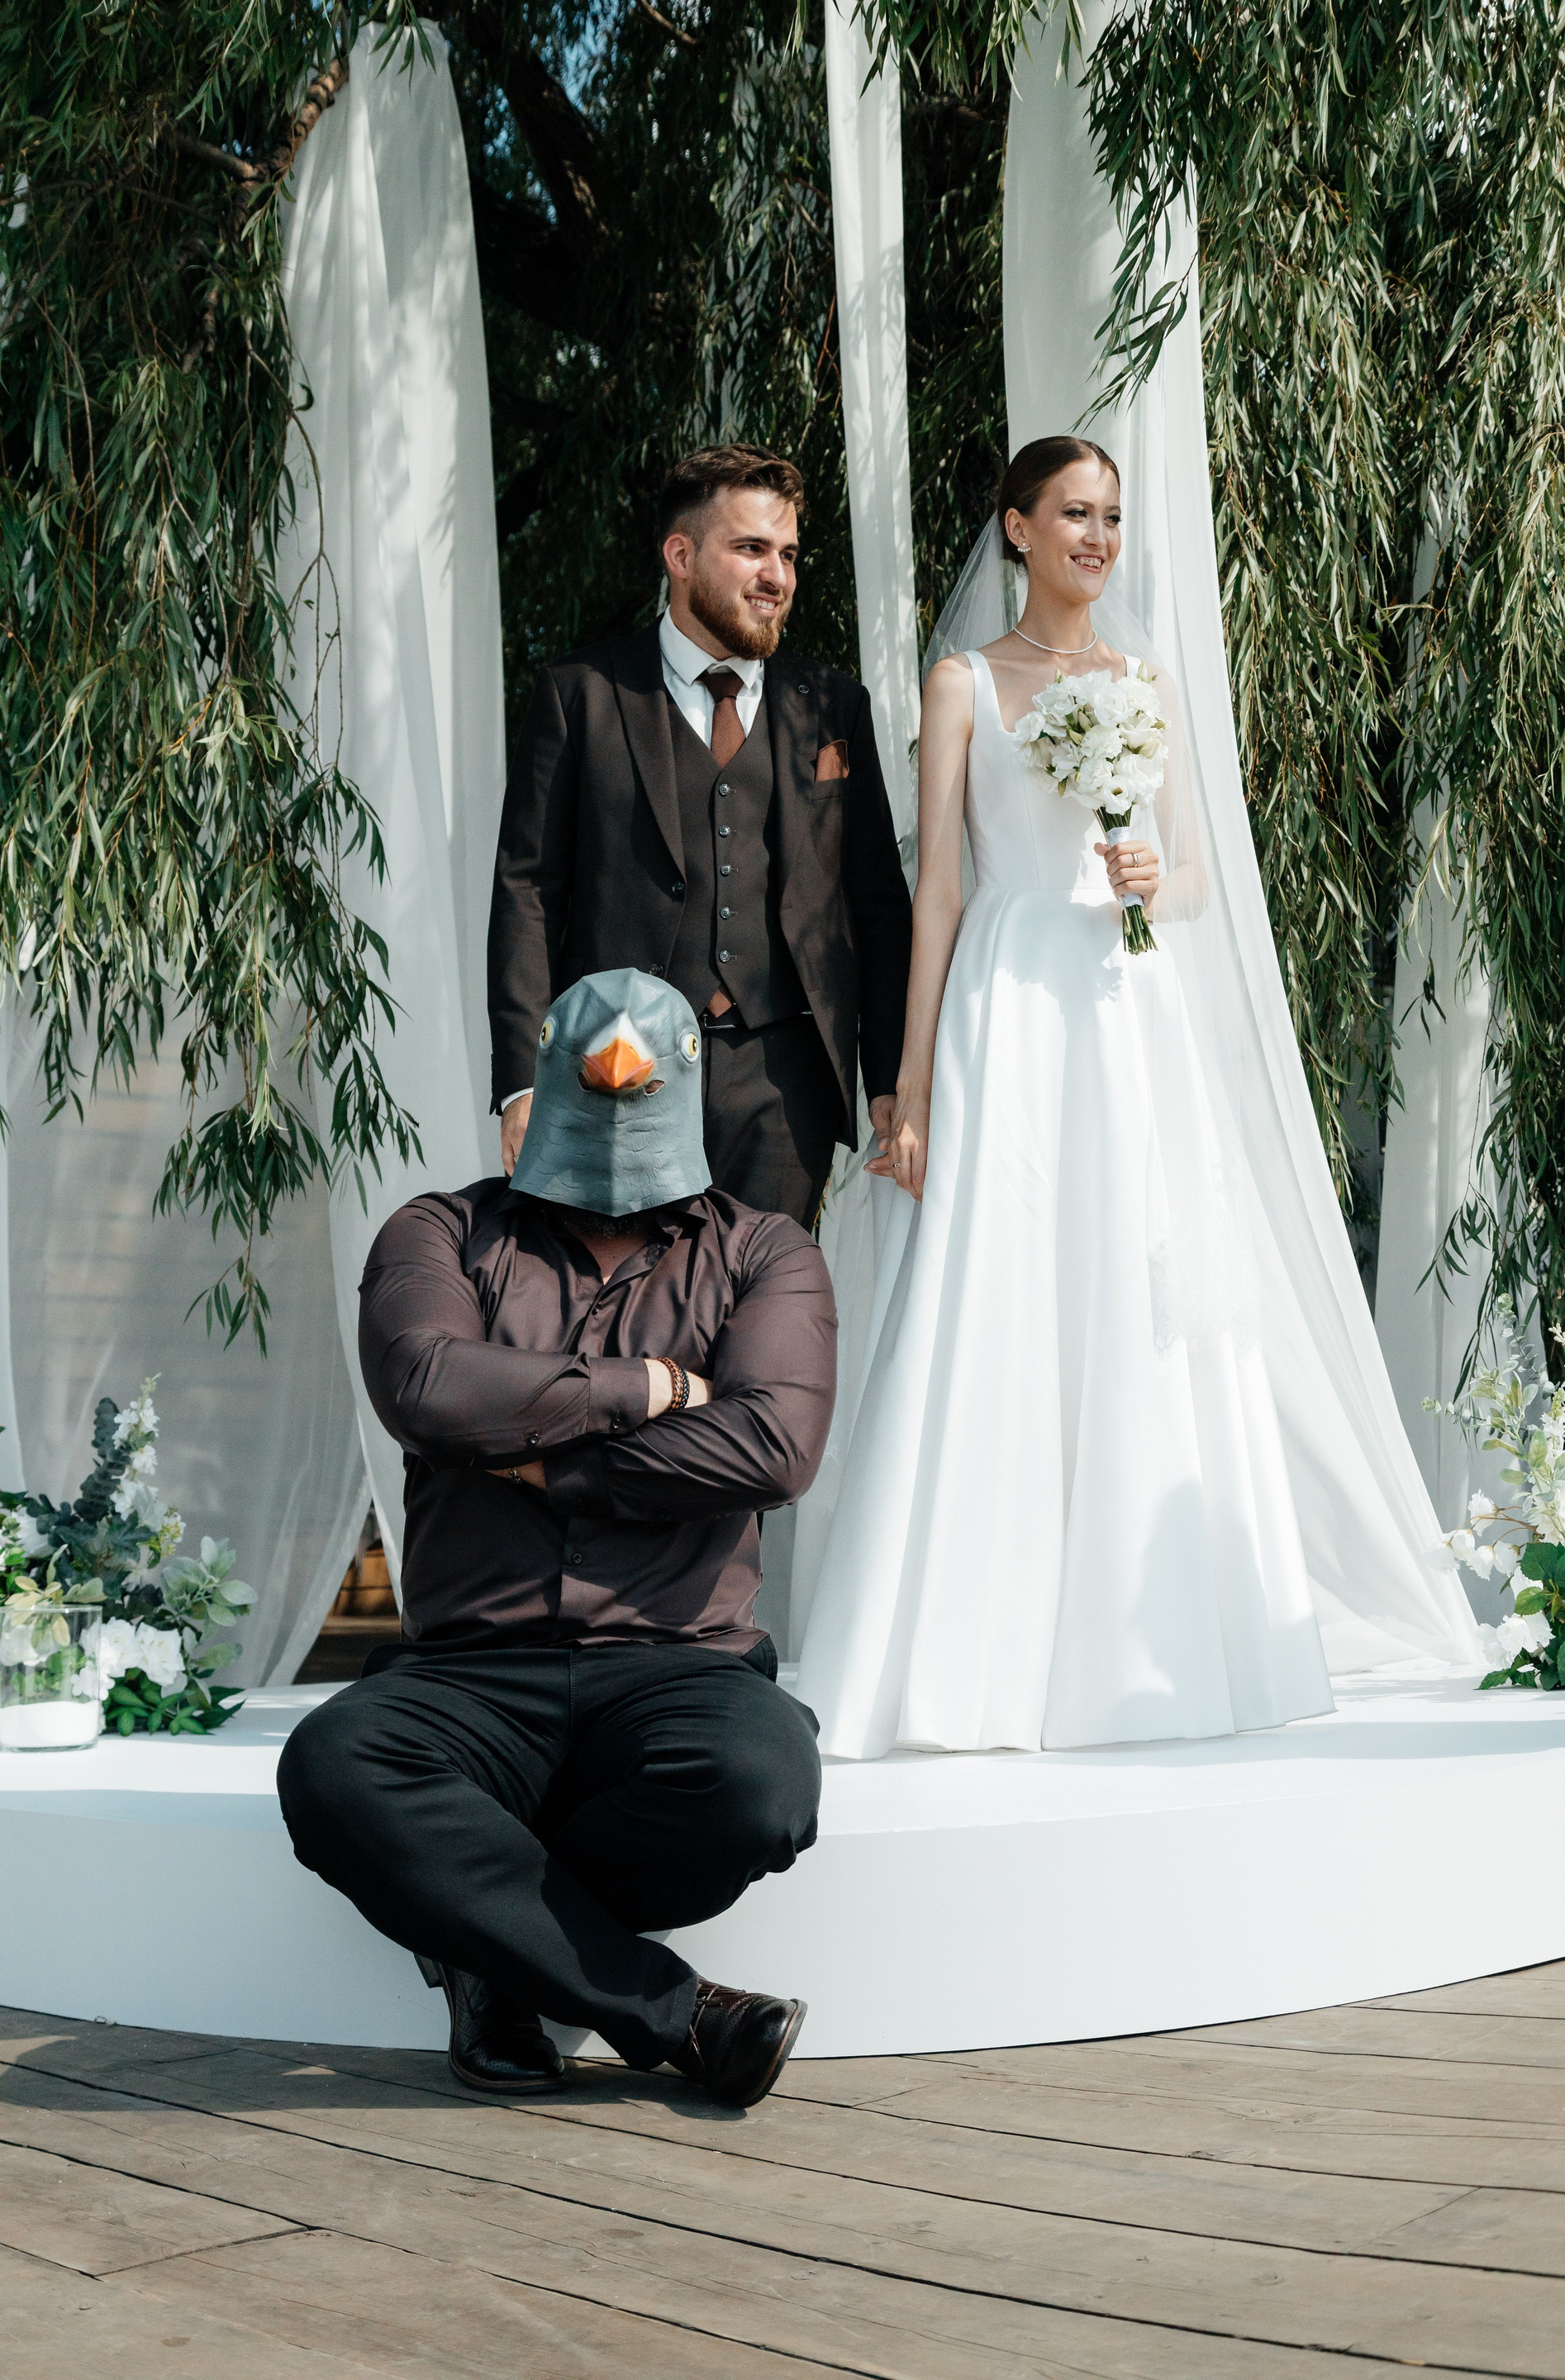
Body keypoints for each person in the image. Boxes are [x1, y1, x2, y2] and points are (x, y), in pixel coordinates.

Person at [794, 436, 1344, 1758]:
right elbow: (937, 889)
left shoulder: (1147, 683)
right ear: (1018, 527)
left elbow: (1197, 880)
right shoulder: (963, 683)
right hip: (1009, 1000)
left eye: (1111, 517)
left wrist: (1158, 875)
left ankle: (1148, 1638)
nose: (1098, 537)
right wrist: (910, 1085)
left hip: (1125, 1006)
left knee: (1128, 1278)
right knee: (1000, 1277)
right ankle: (970, 1653)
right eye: (1074, 514)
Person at [278, 969, 835, 2106]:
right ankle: (681, 2016)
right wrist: (649, 1388)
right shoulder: (439, 1231)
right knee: (334, 1769)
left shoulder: (764, 1252)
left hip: (678, 1662)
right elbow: (429, 1388)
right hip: (470, 1673)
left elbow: (772, 1448)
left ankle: (486, 1955)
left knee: (759, 1785)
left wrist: (537, 1455)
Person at [487, 443, 913, 1229]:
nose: (777, 576)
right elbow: (528, 892)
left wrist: (888, 1078)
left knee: (764, 1297)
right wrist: (522, 1082)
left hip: (784, 1084)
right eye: (751, 549)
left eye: (788, 554)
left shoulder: (832, 705)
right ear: (680, 556)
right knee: (623, 1297)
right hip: (613, 1067)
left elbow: (878, 904)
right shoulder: (581, 695)